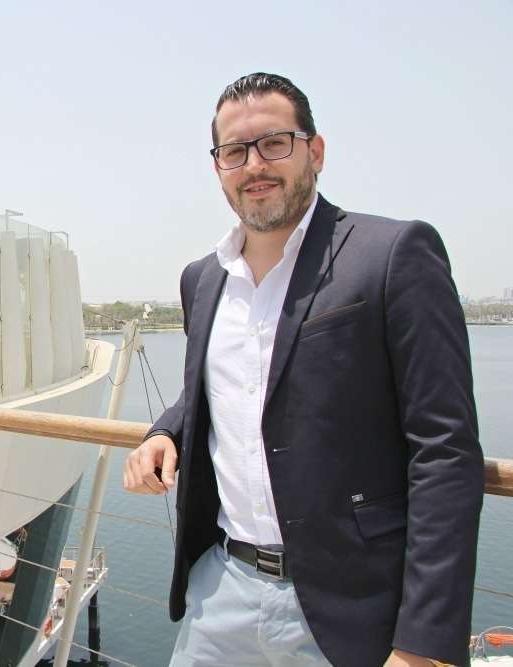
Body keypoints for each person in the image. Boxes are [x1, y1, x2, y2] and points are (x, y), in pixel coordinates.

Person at [123, 73, 483, 667]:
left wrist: (424, 645)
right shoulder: (202, 280)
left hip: (353, 606)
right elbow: (217, 390)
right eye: (234, 151)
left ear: (315, 151)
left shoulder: (392, 254)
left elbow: (445, 450)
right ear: (218, 167)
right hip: (223, 589)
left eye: (274, 144)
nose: (254, 165)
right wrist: (165, 432)